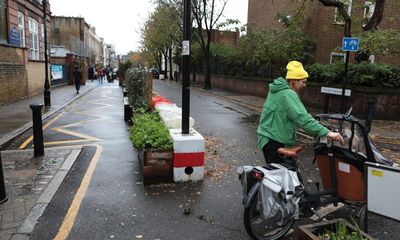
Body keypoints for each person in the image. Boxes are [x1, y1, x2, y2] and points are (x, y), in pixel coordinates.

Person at [257, 61, 344, 164]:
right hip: (274, 141)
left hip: (268, 139)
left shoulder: (277, 90)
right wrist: (328, 133)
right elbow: (303, 119)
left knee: (280, 175)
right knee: (281, 176)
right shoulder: (288, 94)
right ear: (293, 82)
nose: (305, 85)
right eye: (303, 82)